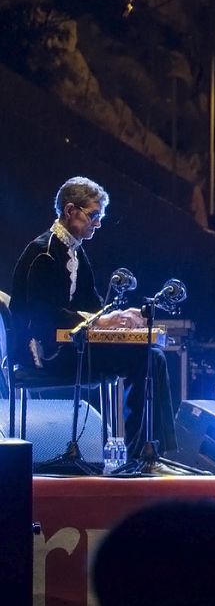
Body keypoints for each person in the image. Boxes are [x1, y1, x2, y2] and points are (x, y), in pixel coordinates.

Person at [9, 176, 176, 457]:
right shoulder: (44, 253)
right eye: (93, 215)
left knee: (151, 355)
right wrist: (99, 322)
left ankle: (148, 453)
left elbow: (94, 305)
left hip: (69, 348)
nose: (97, 223)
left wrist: (122, 315)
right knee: (147, 357)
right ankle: (142, 455)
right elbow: (45, 316)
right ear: (70, 211)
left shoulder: (76, 253)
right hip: (45, 354)